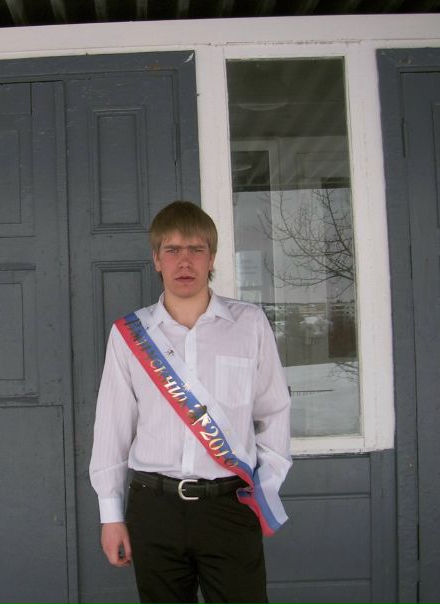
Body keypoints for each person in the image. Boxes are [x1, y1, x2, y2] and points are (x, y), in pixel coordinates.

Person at [89, 201, 292, 604]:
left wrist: (264, 491)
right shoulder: (129, 335)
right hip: (154, 508)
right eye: (172, 250)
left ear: (212, 258)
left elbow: (274, 412)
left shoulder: (249, 324)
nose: (185, 261)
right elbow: (111, 429)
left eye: (196, 249)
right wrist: (110, 515)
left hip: (229, 506)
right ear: (156, 259)